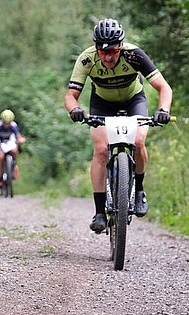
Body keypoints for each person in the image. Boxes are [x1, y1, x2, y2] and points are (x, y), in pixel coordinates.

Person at [64, 19, 172, 233]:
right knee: (102, 149)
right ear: (96, 49)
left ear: (121, 45)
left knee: (139, 141)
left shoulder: (135, 55)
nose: (108, 57)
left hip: (133, 101)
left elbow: (164, 88)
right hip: (102, 104)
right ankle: (99, 212)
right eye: (103, 52)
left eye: (113, 51)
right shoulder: (87, 59)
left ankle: (139, 190)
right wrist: (74, 109)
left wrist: (163, 110)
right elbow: (70, 96)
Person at [0, 109, 26, 191]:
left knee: (15, 150)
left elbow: (18, 137)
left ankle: (14, 164)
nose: (7, 124)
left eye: (8, 122)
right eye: (5, 122)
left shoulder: (13, 125)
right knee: (1, 157)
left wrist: (21, 139)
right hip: (0, 143)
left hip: (9, 143)